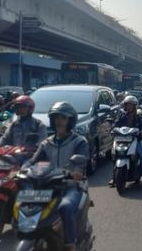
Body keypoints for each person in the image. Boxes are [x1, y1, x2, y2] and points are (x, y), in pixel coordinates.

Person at [27, 102, 89, 251]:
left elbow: (80, 161)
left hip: (70, 186)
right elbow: (34, 162)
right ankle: (28, 234)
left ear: (70, 121)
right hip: (47, 185)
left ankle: (70, 244)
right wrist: (23, 170)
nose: (59, 121)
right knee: (26, 201)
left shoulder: (79, 141)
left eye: (63, 118)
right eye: (56, 118)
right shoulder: (46, 143)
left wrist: (77, 172)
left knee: (65, 206)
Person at [108, 95, 142, 187]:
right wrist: (113, 127)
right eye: (127, 105)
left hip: (135, 140)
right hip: (122, 139)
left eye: (131, 105)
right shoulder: (122, 116)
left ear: (134, 106)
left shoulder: (139, 117)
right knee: (114, 156)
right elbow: (116, 123)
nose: (129, 107)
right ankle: (114, 177)